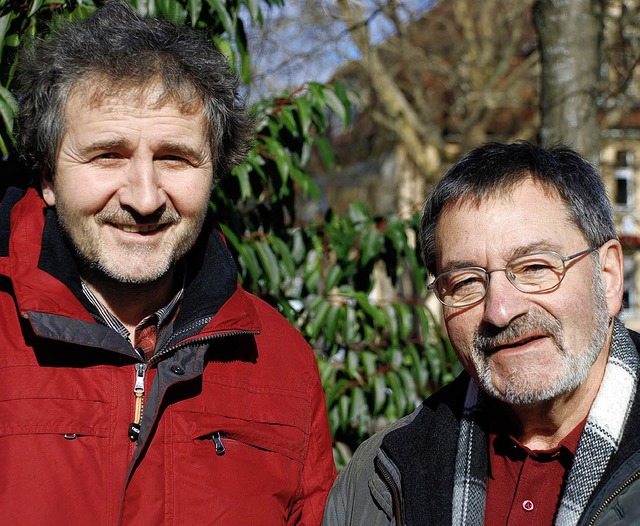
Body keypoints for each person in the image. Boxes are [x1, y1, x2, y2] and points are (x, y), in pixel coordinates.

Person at [0, 2, 336, 524]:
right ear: (47, 175)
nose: (145, 197)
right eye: (107, 155)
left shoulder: (280, 362)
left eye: (175, 158)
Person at [323, 141, 640, 525]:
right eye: (466, 282)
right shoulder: (380, 477)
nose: (501, 311)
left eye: (534, 267)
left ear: (607, 278)